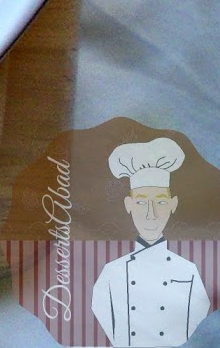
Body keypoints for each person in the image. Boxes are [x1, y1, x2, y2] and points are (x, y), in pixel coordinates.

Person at [90, 138, 212, 345]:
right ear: (128, 205)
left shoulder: (188, 271)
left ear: (174, 205)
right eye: (141, 202)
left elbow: (200, 318)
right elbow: (100, 314)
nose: (150, 214)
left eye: (161, 202)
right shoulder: (112, 272)